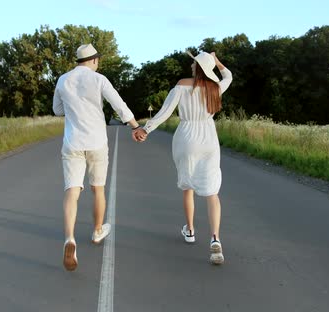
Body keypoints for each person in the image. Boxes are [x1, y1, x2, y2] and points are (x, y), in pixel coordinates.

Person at [133, 51, 232, 264]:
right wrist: (216, 61)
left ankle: (190, 230)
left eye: (194, 62)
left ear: (198, 66)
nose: (191, 65)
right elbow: (229, 77)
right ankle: (215, 238)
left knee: (188, 186)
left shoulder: (181, 85)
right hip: (208, 137)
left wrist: (146, 129)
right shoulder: (215, 88)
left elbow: (165, 111)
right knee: (212, 192)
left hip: (186, 136)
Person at [53, 43, 143, 271]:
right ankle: (96, 231)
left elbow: (57, 110)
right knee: (98, 189)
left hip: (73, 142)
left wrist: (73, 107)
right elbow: (119, 104)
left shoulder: (63, 80)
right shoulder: (99, 79)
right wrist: (135, 126)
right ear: (94, 60)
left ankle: (70, 239)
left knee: (72, 191)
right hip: (96, 142)